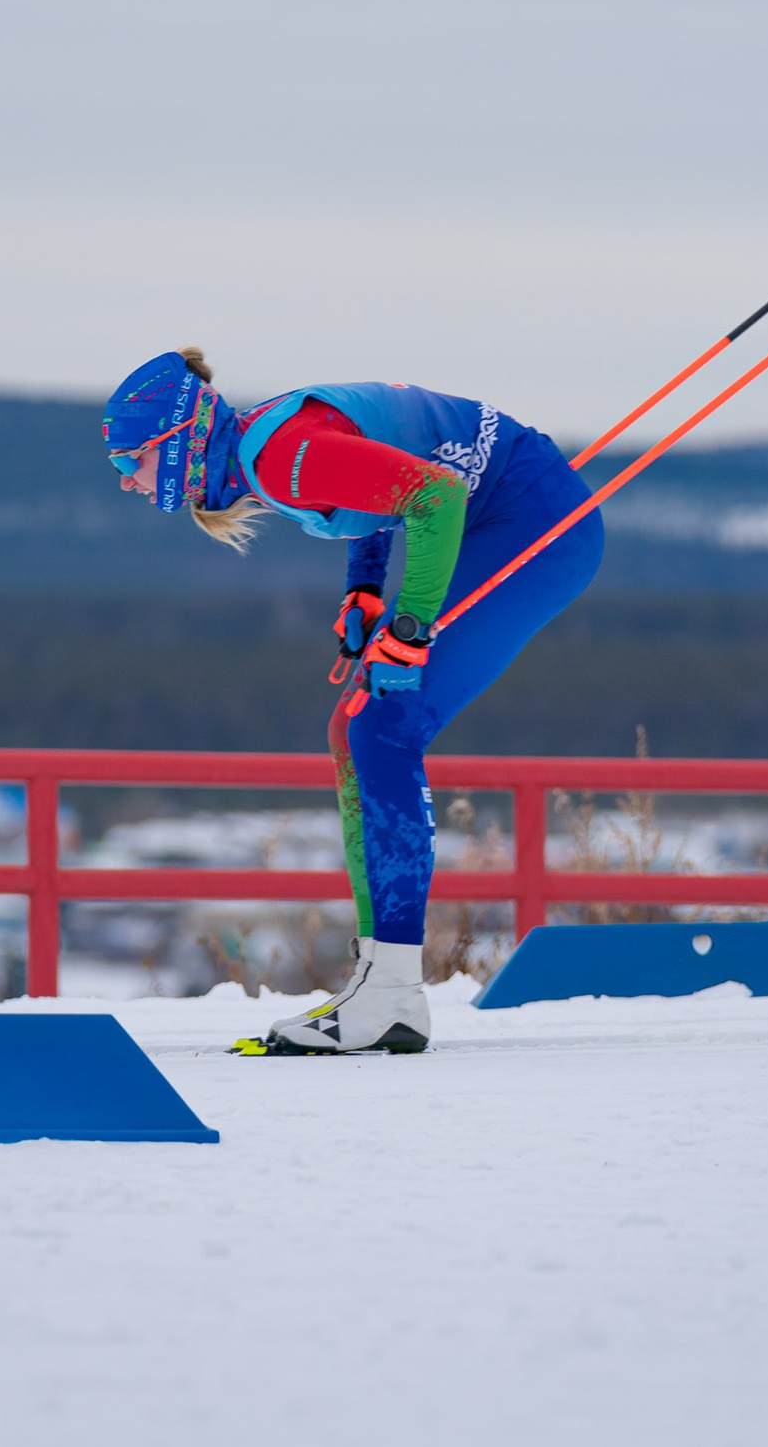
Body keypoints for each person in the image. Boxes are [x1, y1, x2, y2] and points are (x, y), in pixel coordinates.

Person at [102, 347, 605, 1054]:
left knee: (383, 730)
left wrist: (410, 626)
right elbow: (383, 497)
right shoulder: (264, 450)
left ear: (178, 439)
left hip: (534, 520)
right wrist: (366, 590)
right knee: (353, 730)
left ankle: (393, 995)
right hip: (509, 507)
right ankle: (379, 980)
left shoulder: (280, 457)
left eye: (131, 462)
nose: (127, 483)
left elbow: (435, 497)